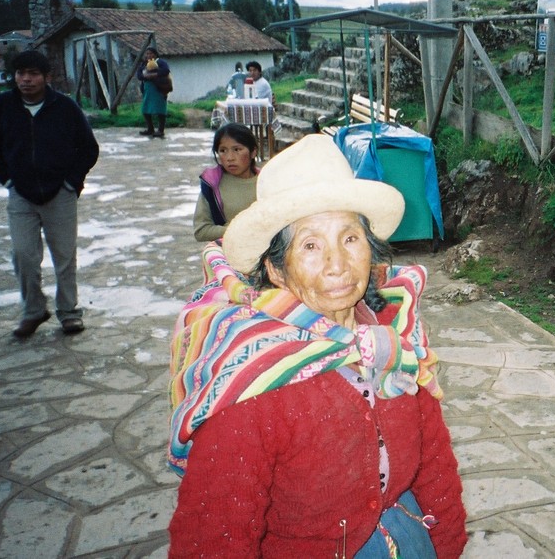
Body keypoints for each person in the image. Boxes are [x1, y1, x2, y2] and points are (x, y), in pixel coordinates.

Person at [167, 134, 467, 557]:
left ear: (371, 249)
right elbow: (214, 535)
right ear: (275, 268)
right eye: (310, 245)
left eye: (350, 238)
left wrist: (448, 547)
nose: (338, 264)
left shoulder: (392, 340)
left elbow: (434, 465)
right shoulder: (255, 380)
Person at [0, 49, 100, 338]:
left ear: (47, 77)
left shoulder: (65, 107)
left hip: (60, 193)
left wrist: (72, 183)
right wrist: (8, 180)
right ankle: (33, 311)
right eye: (21, 74)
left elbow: (88, 149)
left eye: (33, 74)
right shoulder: (2, 106)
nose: (26, 80)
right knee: (23, 255)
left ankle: (69, 313)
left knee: (64, 257)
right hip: (21, 195)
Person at [192, 123, 259, 242]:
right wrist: (236, 230)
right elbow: (201, 231)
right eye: (223, 151)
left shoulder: (267, 182)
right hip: (229, 254)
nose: (230, 158)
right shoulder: (212, 184)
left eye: (237, 149)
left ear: (253, 152)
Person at [136, 47, 170, 138]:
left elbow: (166, 70)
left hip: (159, 89)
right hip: (148, 90)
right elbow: (139, 75)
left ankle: (160, 130)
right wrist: (146, 76)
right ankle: (150, 129)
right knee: (145, 109)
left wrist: (155, 74)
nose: (148, 55)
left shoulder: (160, 62)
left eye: (151, 53)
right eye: (147, 54)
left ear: (155, 54)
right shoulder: (144, 64)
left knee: (160, 110)